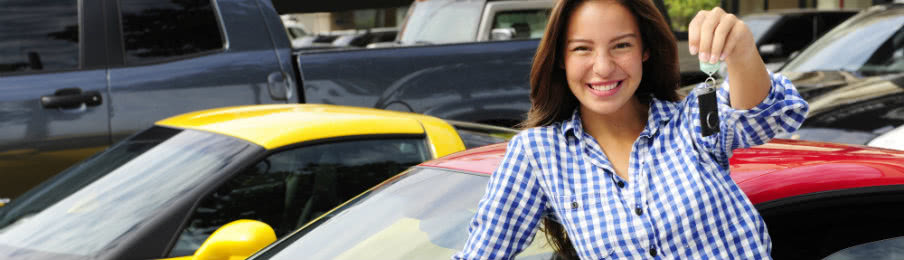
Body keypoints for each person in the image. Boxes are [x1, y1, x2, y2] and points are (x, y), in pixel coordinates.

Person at [452, 0, 809, 259]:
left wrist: (741, 50)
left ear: (645, 50)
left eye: (621, 45)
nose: (603, 67)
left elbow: (764, 116)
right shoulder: (538, 154)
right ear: (561, 58)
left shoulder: (690, 120)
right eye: (582, 49)